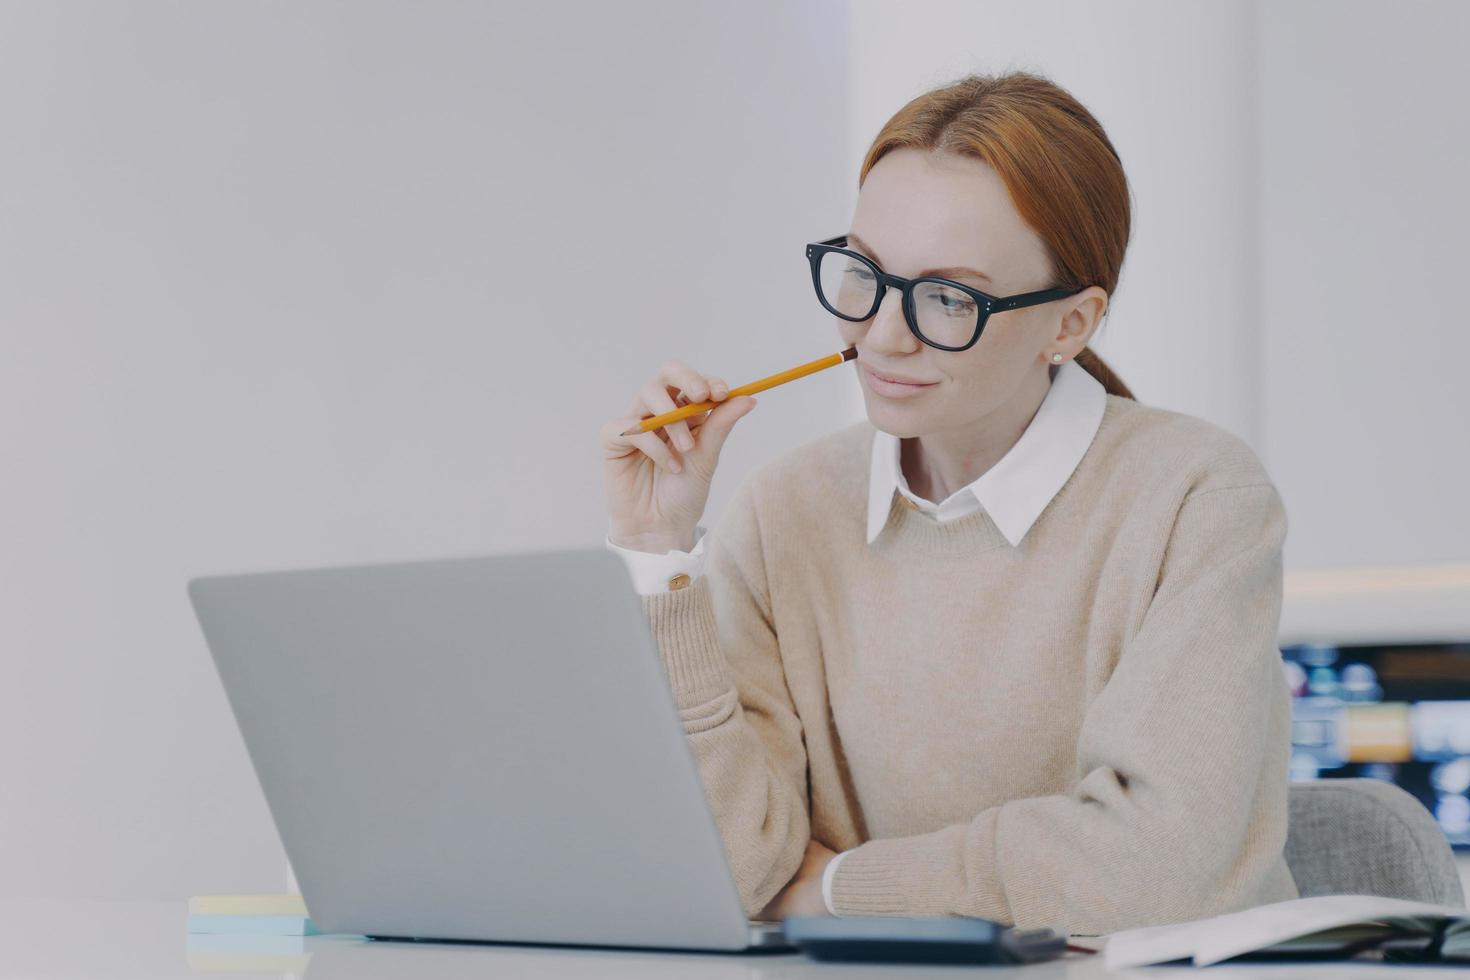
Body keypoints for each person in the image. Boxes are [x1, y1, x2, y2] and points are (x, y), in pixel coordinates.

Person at [597, 70, 1297, 935]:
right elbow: (732, 867)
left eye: (948, 297)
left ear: (1070, 325)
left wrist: (837, 889)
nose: (883, 334)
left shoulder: (1197, 497)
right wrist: (659, 549)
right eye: (865, 274)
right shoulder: (786, 510)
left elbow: (1154, 872)